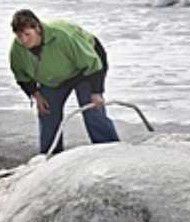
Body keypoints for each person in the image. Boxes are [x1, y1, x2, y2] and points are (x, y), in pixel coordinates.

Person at [9, 9, 119, 154]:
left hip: (86, 70)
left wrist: (96, 92)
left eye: (27, 35)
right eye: (19, 36)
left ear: (38, 29)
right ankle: (51, 154)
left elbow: (93, 64)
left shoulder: (63, 36)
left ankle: (110, 150)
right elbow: (22, 76)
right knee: (46, 111)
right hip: (54, 77)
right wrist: (37, 95)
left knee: (92, 108)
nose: (23, 40)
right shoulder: (17, 49)